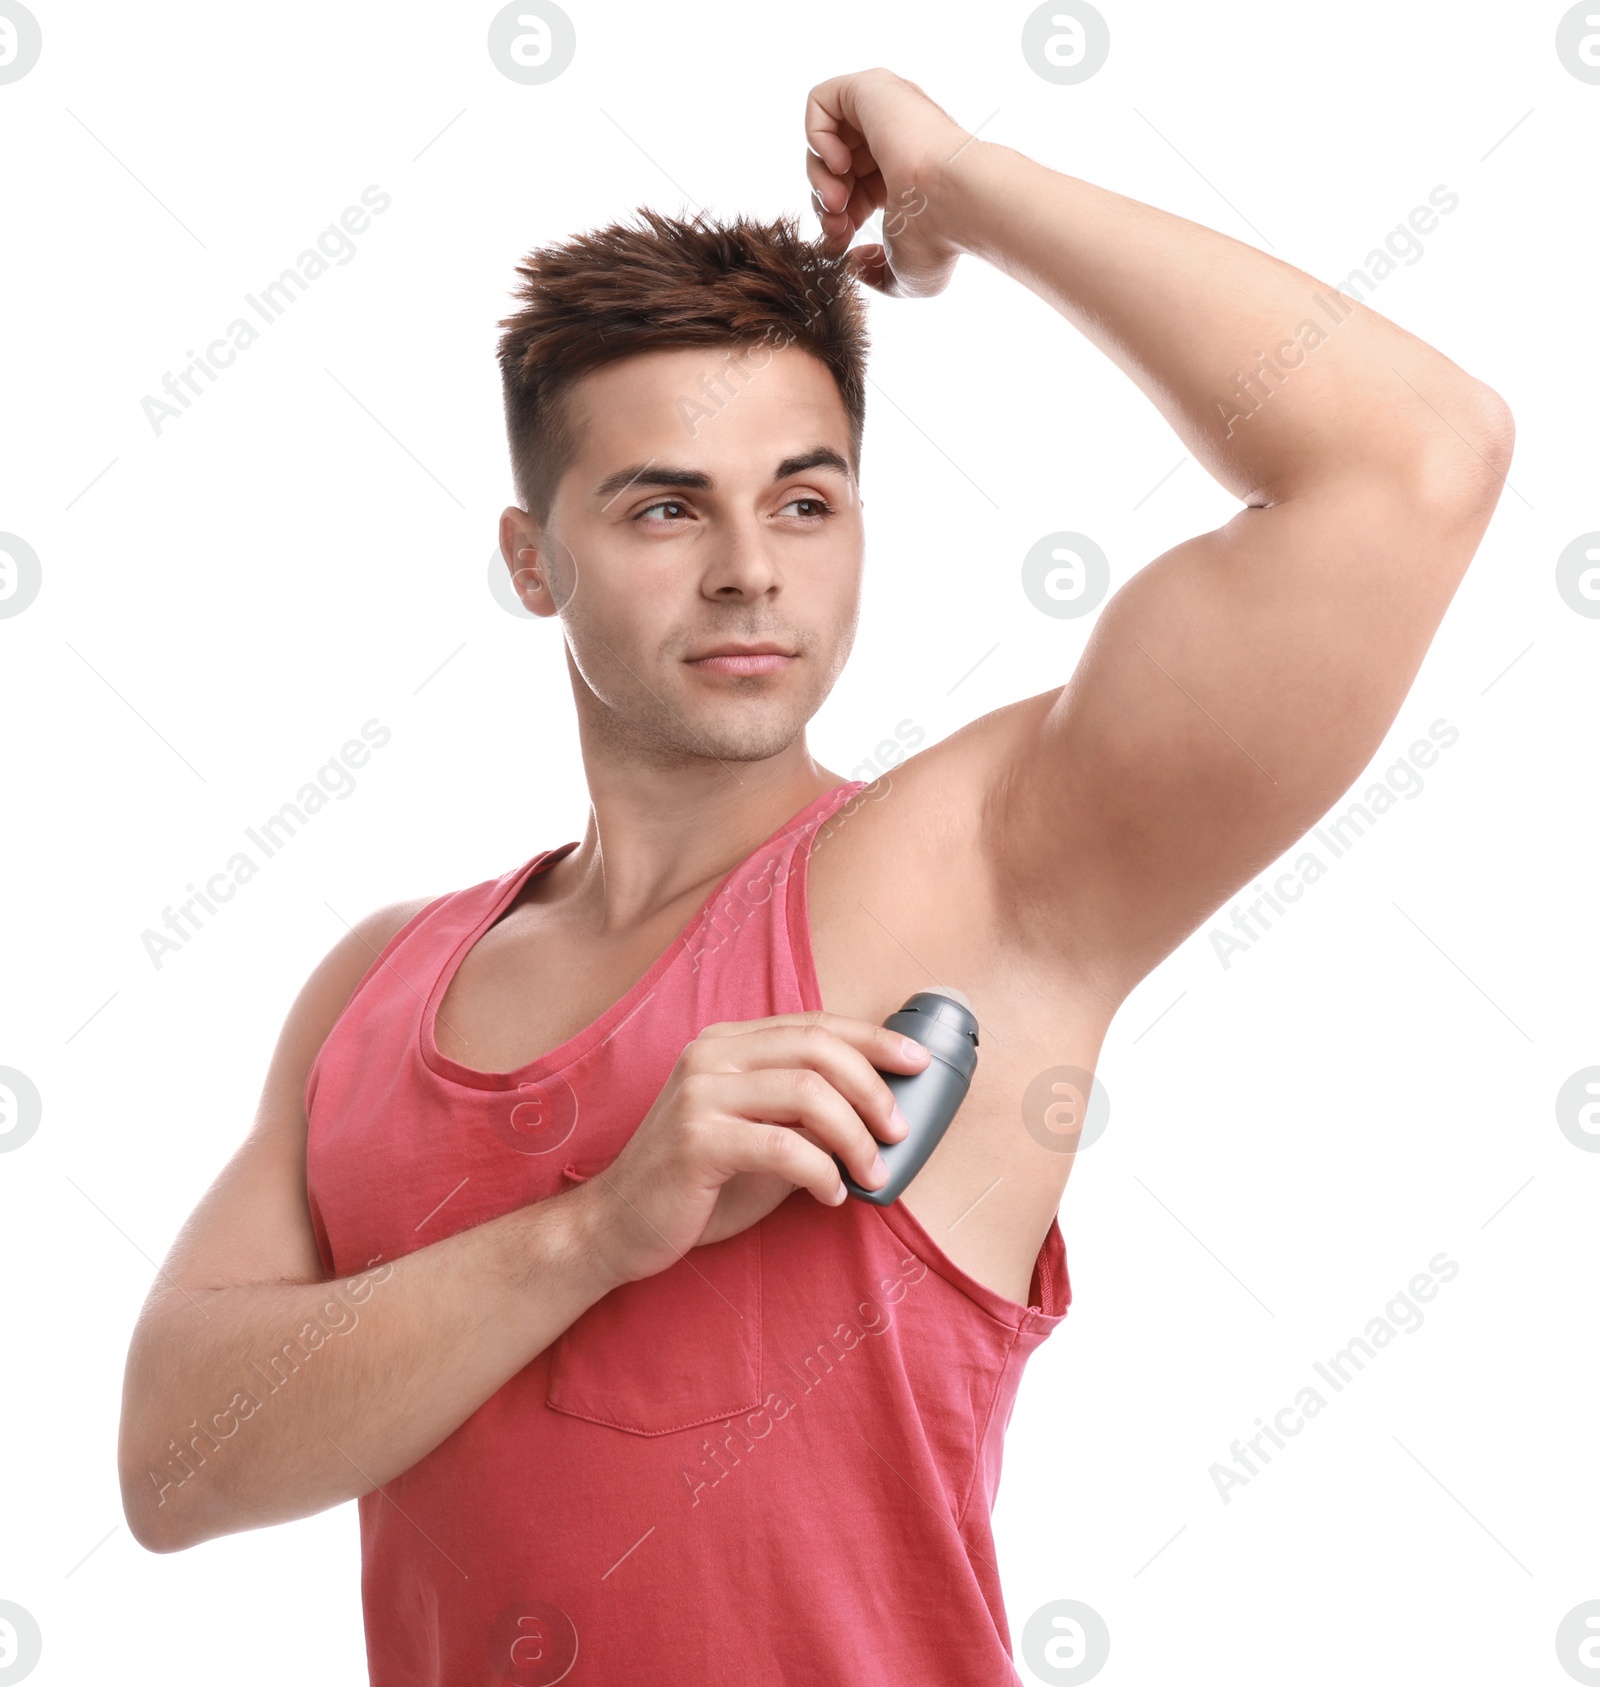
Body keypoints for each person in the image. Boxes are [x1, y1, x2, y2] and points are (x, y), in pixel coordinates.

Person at [117, 66, 1513, 1685]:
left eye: (805, 498)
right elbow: (170, 1467)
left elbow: (1416, 460)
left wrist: (967, 191)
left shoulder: (983, 867)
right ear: (529, 560)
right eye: (663, 507)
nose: (748, 571)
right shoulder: (381, 986)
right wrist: (598, 1231)